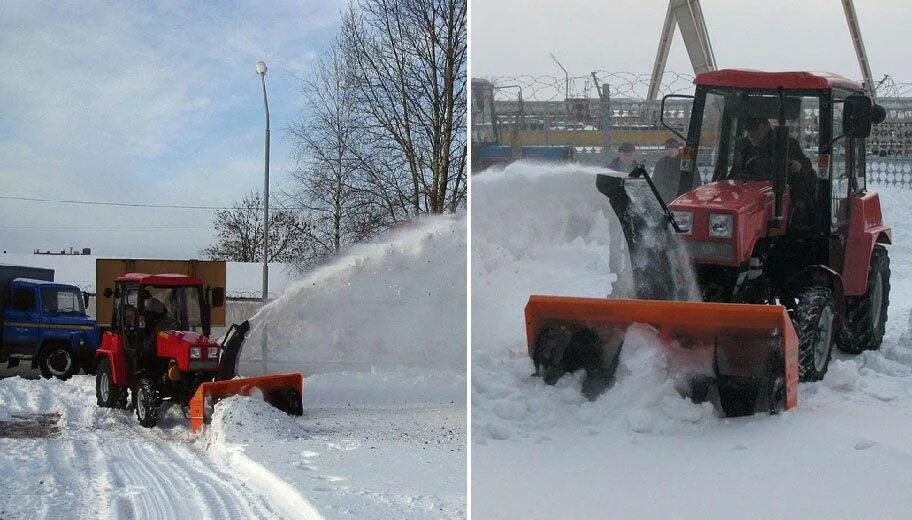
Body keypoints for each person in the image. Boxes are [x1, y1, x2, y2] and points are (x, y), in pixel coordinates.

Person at [729, 117, 817, 226]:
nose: (752, 133)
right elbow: (733, 175)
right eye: (749, 130)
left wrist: (799, 165)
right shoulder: (743, 146)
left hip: (780, 195)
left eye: (756, 128)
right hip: (748, 195)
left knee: (798, 212)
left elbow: (804, 167)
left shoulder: (786, 144)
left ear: (766, 126)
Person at [652, 137, 699, 202]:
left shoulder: (685, 161)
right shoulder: (661, 163)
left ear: (677, 149)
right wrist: (666, 195)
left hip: (685, 198)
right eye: (667, 149)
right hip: (667, 199)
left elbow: (695, 180)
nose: (670, 151)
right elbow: (656, 181)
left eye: (672, 148)